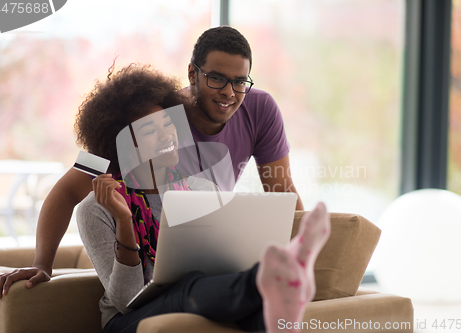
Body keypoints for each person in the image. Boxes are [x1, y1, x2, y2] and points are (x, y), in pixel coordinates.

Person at [0, 26, 304, 299]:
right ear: (193, 74)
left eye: (239, 82)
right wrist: (43, 264)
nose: (229, 92)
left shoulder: (259, 108)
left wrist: (307, 257)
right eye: (217, 79)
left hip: (204, 248)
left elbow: (284, 193)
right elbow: (66, 191)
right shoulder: (148, 117)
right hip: (141, 257)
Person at [72, 64, 330, 333]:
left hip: (197, 296)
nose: (168, 136)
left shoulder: (200, 189)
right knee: (187, 286)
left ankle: (277, 303)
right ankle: (270, 277)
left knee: (253, 310)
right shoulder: (96, 209)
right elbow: (126, 301)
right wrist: (125, 221)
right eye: (150, 131)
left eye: (169, 124)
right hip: (124, 322)